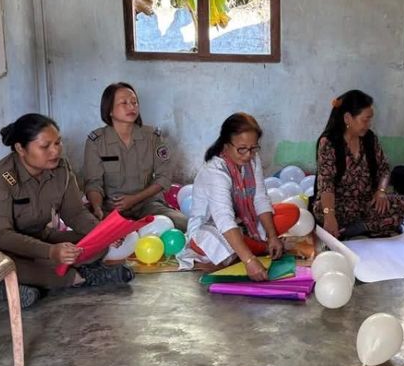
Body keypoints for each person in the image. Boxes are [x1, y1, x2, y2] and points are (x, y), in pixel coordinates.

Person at [0, 114, 135, 308]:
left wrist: (102, 232)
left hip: (35, 238)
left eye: (58, 143)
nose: (55, 151)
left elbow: (75, 213)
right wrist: (50, 252)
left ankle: (33, 283)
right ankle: (80, 277)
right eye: (45, 146)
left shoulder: (60, 170)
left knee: (97, 245)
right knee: (8, 267)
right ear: (20, 148)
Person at [183, 113, 283, 281]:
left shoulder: (253, 159)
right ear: (226, 144)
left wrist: (272, 235)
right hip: (211, 226)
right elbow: (223, 219)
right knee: (211, 241)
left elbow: (260, 198)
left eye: (253, 148)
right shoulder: (215, 170)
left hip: (242, 221)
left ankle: (254, 246)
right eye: (241, 149)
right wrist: (250, 261)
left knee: (290, 212)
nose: (248, 155)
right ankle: (253, 249)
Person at [83, 82, 186, 230]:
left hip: (147, 204)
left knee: (182, 223)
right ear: (109, 109)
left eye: (134, 102)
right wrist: (98, 209)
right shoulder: (96, 141)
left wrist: (135, 199)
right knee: (101, 233)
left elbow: (164, 177)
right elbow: (93, 183)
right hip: (111, 208)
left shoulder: (152, 137)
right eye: (124, 103)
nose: (131, 107)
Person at [313, 90, 404, 238]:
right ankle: (374, 225)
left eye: (370, 120)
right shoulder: (329, 143)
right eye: (365, 120)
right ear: (348, 118)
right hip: (339, 205)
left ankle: (358, 228)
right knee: (323, 210)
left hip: (366, 201)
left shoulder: (369, 139)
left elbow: (384, 169)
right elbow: (326, 184)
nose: (369, 124)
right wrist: (329, 217)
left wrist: (381, 191)